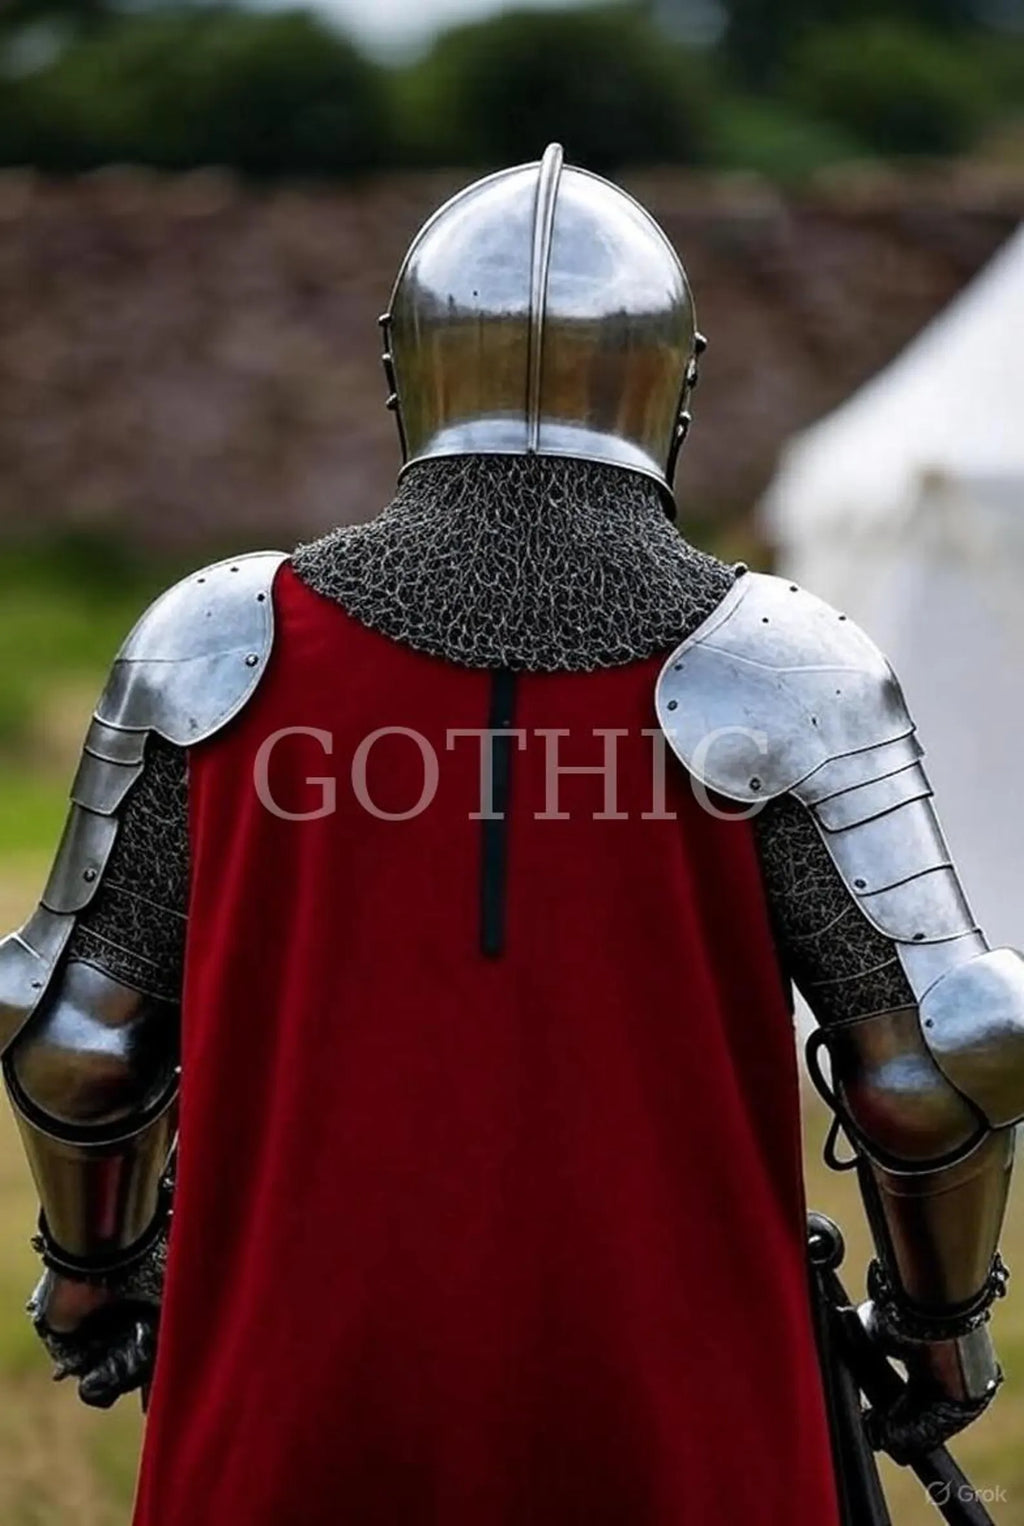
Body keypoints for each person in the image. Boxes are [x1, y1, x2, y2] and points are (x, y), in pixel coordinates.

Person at [1, 144, 1020, 1526]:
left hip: (296, 1410)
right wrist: (941, 1327)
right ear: (676, 383)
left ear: (403, 370)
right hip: (689, 1426)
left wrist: (87, 1276)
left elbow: (79, 1038)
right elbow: (938, 1057)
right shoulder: (787, 666)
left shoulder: (218, 648)